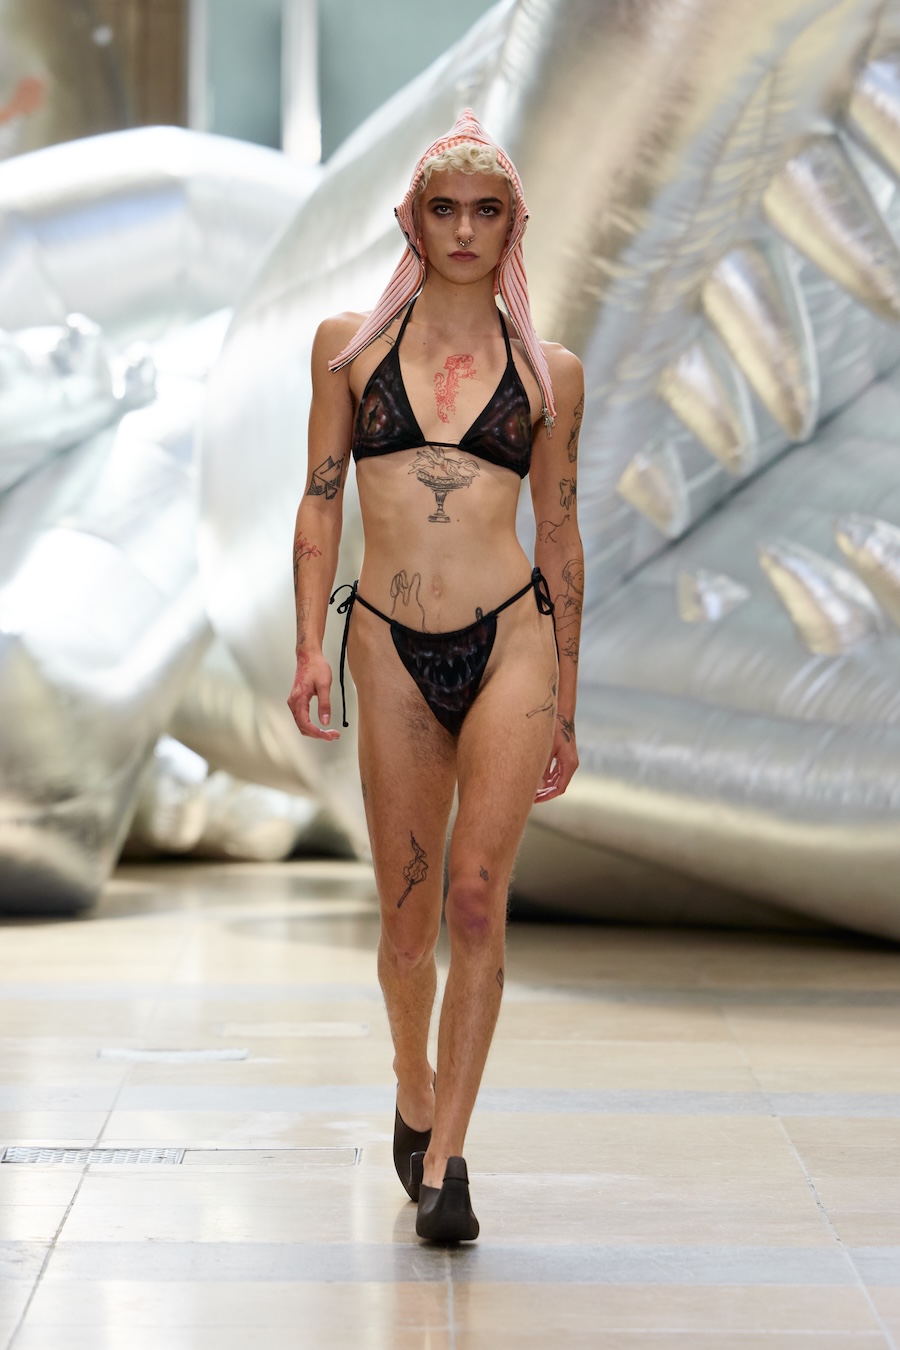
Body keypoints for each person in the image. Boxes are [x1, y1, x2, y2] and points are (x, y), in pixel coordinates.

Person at [287, 109, 584, 1243]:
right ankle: (412, 1085)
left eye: (486, 210)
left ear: (514, 226)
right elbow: (320, 502)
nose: (464, 228)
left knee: (475, 896)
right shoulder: (348, 352)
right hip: (390, 651)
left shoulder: (549, 375)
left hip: (513, 642)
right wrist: (308, 647)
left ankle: (449, 1158)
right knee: (408, 929)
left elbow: (560, 536)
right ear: (412, 220)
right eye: (444, 209)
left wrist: (568, 696)